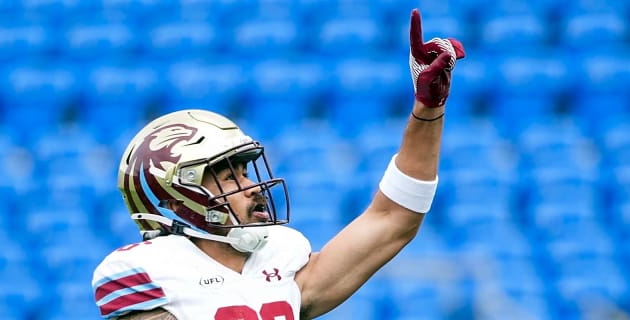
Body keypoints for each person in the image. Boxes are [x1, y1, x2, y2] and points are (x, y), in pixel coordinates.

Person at [92, 9, 466, 320]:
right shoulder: (149, 271)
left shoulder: (280, 260)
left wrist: (427, 111)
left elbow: (393, 219)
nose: (251, 185)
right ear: (176, 199)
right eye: (228, 176)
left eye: (243, 171)